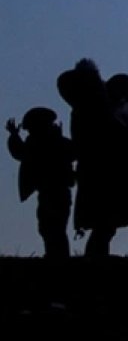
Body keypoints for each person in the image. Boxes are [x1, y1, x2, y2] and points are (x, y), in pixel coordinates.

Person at [58, 58, 128, 257]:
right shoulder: (98, 107)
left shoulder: (84, 107)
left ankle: (97, 256)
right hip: (108, 169)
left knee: (104, 221)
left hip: (95, 168)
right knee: (106, 221)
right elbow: (119, 138)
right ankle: (97, 257)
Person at [6, 107, 76, 257]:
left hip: (53, 192)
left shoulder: (42, 143)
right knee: (52, 227)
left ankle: (57, 257)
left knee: (51, 227)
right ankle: (57, 256)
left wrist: (14, 136)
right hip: (55, 192)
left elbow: (20, 152)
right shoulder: (57, 142)